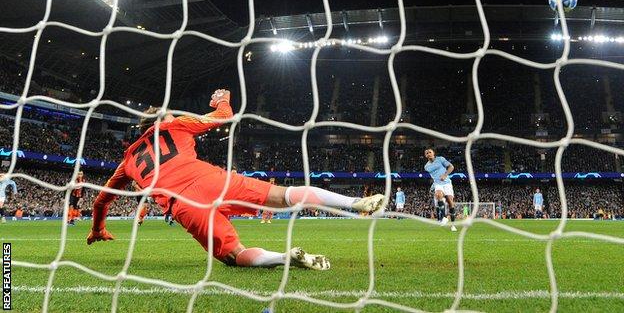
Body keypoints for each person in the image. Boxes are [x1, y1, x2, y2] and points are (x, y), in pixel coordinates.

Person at [87, 89, 384, 270]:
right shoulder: (175, 124)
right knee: (283, 194)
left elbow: (101, 200)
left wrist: (98, 228)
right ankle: (356, 202)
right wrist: (222, 99)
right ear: (162, 119)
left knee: (233, 255)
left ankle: (284, 258)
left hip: (184, 206)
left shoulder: (127, 160)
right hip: (211, 178)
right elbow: (223, 116)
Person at [424, 148, 457, 232]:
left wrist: (445, 175)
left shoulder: (441, 159)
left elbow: (451, 167)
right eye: (427, 153)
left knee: (451, 203)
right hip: (438, 184)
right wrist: (433, 186)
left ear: (433, 153)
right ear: (425, 155)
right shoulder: (427, 167)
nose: (428, 154)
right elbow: (433, 176)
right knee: (438, 195)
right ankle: (444, 217)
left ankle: (453, 225)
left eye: (430, 152)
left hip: (447, 183)